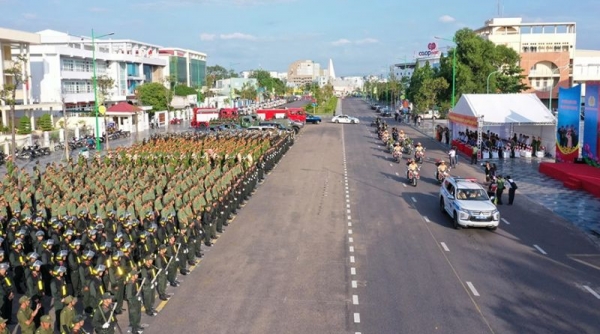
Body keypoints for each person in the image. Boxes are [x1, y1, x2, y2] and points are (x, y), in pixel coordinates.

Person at [125, 270, 143, 334]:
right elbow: (129, 297)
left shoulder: (135, 282)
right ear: (132, 276)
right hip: (133, 302)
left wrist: (139, 298)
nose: (137, 275)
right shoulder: (130, 284)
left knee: (138, 314)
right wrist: (135, 299)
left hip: (136, 301)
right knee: (134, 316)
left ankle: (137, 325)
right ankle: (134, 330)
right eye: (136, 274)